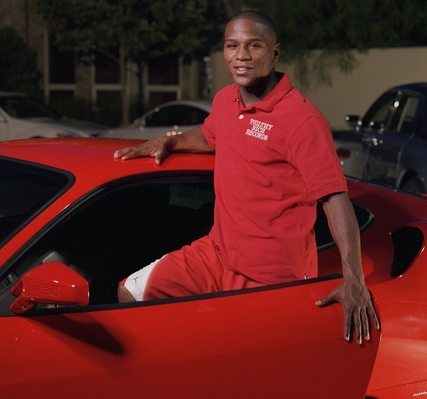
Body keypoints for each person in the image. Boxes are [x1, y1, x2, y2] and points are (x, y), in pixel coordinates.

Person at [114, 10, 380, 343]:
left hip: (272, 275)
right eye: (232, 45)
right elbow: (211, 135)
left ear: (275, 52)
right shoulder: (225, 101)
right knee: (130, 294)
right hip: (216, 253)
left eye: (253, 46)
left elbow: (334, 198)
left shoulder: (301, 119)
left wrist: (353, 278)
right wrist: (172, 140)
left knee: (236, 362)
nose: (241, 56)